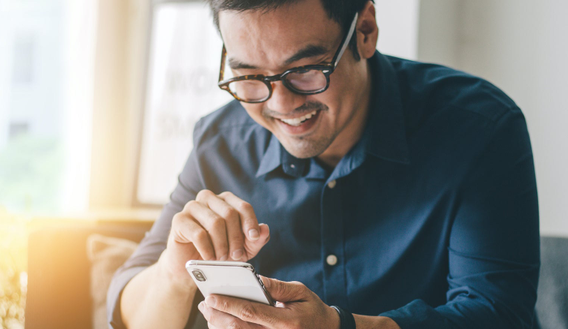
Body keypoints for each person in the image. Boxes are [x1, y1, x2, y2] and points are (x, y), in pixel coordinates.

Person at [107, 0, 540, 328]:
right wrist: (174, 269)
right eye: (249, 76)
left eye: (306, 70)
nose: (280, 104)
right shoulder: (220, 141)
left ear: (365, 31)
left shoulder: (479, 127)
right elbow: (128, 313)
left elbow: (500, 313)